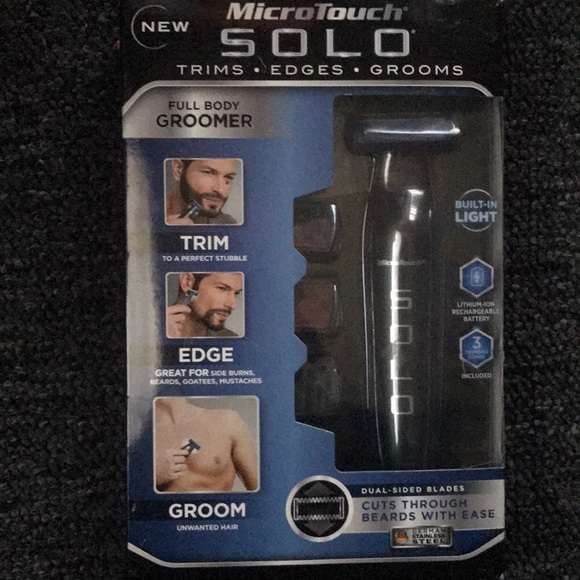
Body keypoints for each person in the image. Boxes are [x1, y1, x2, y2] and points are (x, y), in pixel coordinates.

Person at [154, 398, 259, 492]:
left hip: (217, 508)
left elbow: (263, 494)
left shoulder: (227, 422)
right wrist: (149, 474)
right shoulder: (143, 432)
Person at [167, 272, 243, 338]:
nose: (232, 305)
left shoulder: (230, 338)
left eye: (236, 293)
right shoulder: (160, 332)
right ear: (187, 282)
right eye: (222, 288)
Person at [166, 158, 239, 225]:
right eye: (208, 173)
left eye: (229, 177)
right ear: (178, 170)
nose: (221, 190)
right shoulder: (158, 219)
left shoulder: (228, 223)